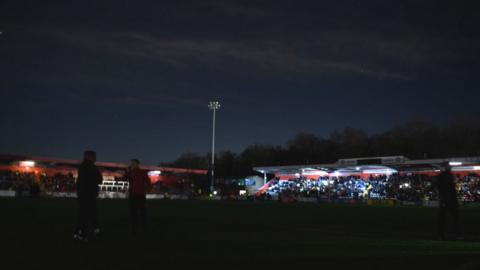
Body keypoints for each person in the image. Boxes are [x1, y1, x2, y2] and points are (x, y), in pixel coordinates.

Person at [74, 151, 103, 242]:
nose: (96, 158)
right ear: (89, 157)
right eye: (94, 156)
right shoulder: (92, 167)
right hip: (89, 194)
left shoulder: (82, 166)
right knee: (88, 214)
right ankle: (83, 234)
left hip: (82, 193)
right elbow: (99, 179)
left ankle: (79, 233)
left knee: (83, 214)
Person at [122, 159, 152, 235]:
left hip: (141, 194)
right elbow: (123, 179)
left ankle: (143, 228)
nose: (132, 165)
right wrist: (127, 171)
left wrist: (148, 189)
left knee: (142, 212)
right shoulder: (130, 172)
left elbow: (148, 181)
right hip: (133, 194)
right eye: (131, 163)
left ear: (138, 164)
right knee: (133, 213)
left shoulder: (142, 172)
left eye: (133, 163)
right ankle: (134, 229)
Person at [434, 162, 461, 240]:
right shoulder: (448, 176)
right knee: (454, 218)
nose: (450, 167)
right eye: (449, 166)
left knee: (443, 218)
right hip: (450, 200)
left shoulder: (441, 176)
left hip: (445, 200)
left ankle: (441, 234)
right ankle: (456, 234)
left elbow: (434, 185)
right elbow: (451, 189)